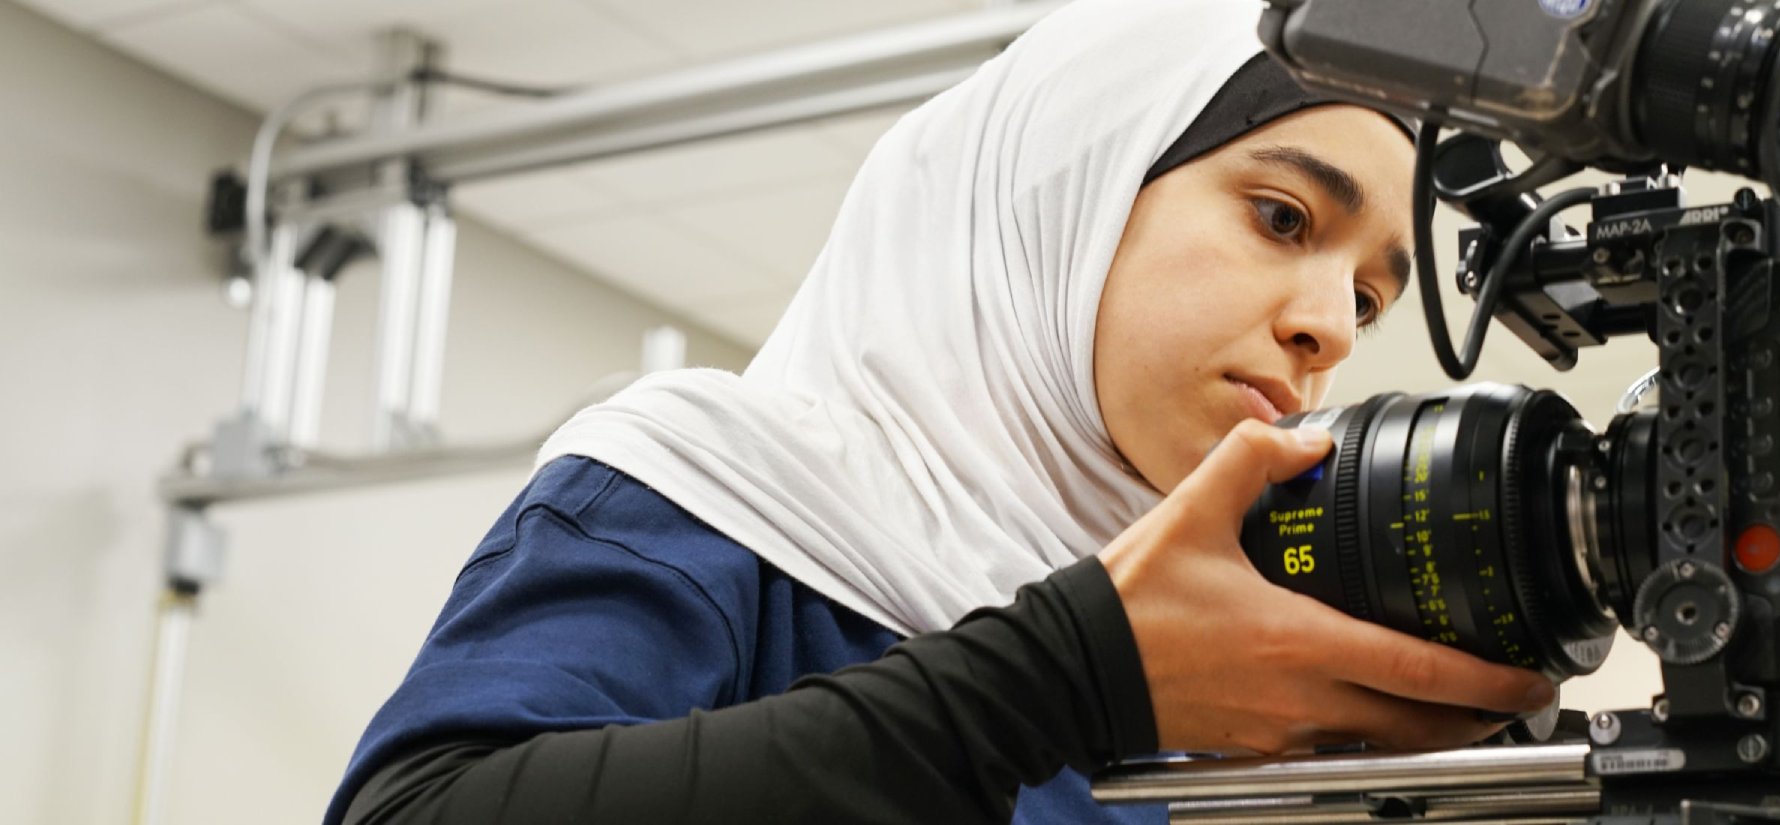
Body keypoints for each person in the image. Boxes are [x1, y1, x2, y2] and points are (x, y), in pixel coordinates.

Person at [326, 0, 1556, 822]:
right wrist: (1057, 681)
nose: (1332, 327)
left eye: (1369, 295)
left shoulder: (1217, 679)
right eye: (1282, 218)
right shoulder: (707, 490)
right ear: (1066, 192)